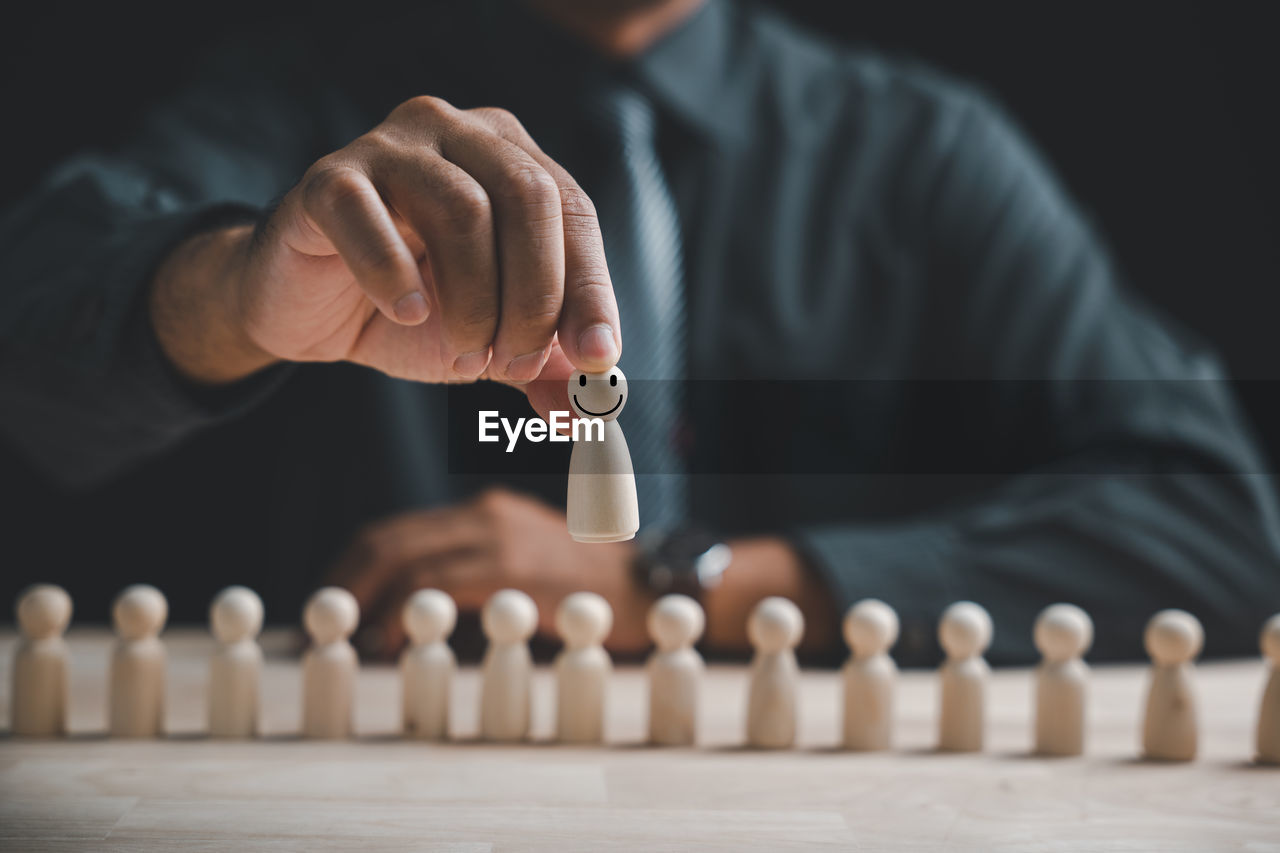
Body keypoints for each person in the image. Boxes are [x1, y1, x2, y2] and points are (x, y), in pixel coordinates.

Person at [1, 0, 1277, 664]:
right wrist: (232, 297)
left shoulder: (923, 151)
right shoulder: (306, 101)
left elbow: (1217, 520)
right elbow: (32, 354)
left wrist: (673, 582)